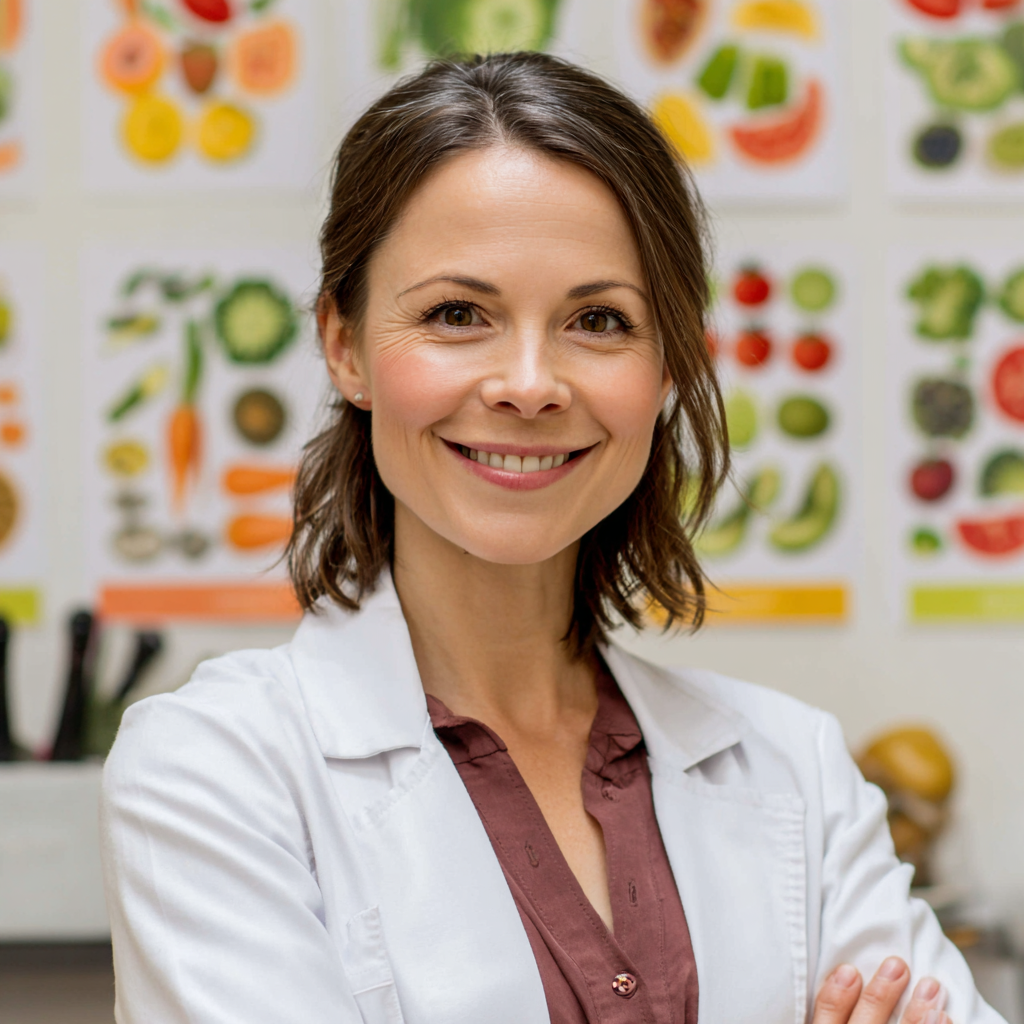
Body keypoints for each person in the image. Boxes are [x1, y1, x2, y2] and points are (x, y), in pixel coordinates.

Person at [100, 53, 1003, 1024]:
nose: (529, 385)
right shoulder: (210, 771)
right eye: (458, 314)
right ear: (344, 345)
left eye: (598, 320)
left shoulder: (796, 768)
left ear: (668, 367)